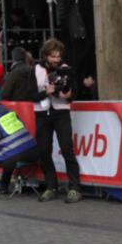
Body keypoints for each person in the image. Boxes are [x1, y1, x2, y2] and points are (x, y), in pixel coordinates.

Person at [25, 38, 82, 204]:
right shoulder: (35, 70)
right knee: (44, 151)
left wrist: (68, 95)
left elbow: (75, 93)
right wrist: (46, 92)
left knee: (66, 149)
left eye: (58, 56)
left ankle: (74, 188)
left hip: (61, 113)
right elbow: (30, 95)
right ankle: (51, 186)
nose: (56, 59)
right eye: (53, 56)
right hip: (42, 114)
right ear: (45, 56)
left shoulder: (66, 69)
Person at [0, 101, 39, 198]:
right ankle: (3, 186)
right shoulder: (14, 117)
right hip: (34, 154)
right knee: (7, 152)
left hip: (15, 158)